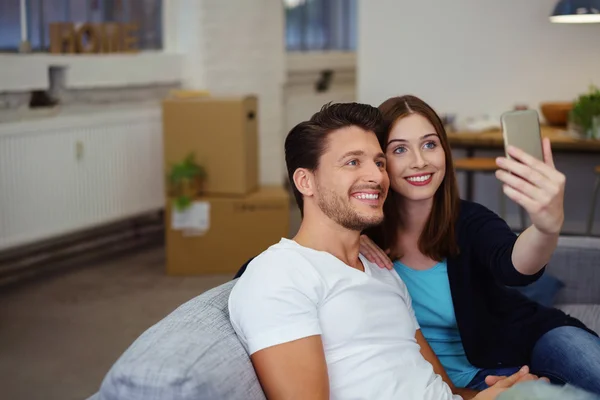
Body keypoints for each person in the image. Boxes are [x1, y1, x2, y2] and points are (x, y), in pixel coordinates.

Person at [228, 102, 541, 400]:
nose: (377, 176)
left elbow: (442, 389)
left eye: (379, 162)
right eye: (353, 162)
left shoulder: (381, 270)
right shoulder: (279, 275)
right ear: (305, 181)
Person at [359, 95, 600, 395]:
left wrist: (545, 228)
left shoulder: (469, 220)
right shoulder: (362, 234)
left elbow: (514, 265)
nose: (419, 161)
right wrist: (353, 237)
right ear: (379, 161)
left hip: (527, 341)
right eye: (400, 149)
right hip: (449, 382)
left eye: (430, 144)